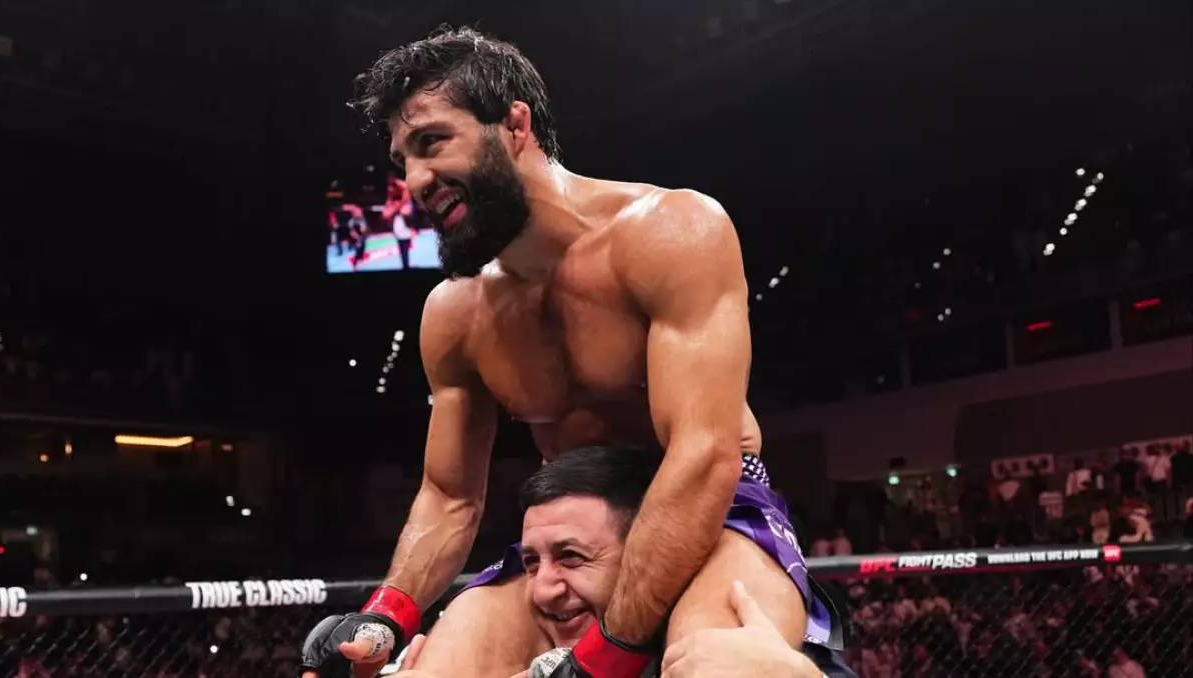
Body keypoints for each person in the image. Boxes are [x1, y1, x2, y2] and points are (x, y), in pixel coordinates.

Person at [298, 25, 843, 678]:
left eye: (432, 142)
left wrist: (604, 657)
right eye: (402, 162)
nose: (414, 181)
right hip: (566, 536)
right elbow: (449, 496)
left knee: (720, 665)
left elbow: (704, 455)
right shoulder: (454, 313)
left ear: (515, 125)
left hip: (713, 513)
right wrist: (387, 615)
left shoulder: (669, 232)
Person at [397, 446, 847, 678]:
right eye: (531, 561)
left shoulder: (747, 650)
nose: (543, 589)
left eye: (572, 557)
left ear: (648, 559)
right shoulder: (517, 647)